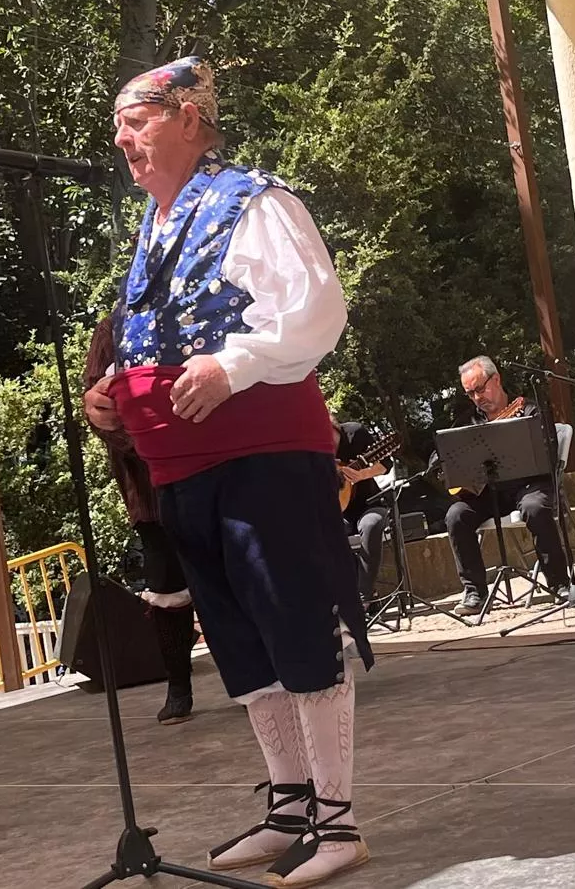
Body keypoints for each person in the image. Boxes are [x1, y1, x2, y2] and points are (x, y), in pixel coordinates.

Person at [86, 57, 371, 888]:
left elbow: (316, 310)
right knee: (242, 642)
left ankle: (340, 821)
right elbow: (159, 340)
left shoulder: (253, 202)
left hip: (259, 455)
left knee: (294, 627)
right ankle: (291, 807)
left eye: (135, 122)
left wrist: (235, 365)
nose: (123, 141)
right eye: (119, 129)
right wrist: (112, 397)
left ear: (187, 117)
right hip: (184, 465)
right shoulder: (156, 224)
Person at [82, 310, 199, 725]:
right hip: (150, 491)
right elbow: (97, 407)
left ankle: (252, 677)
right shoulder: (112, 328)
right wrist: (150, 441)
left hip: (212, 474)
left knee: (229, 580)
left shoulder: (201, 308)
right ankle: (178, 686)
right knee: (167, 589)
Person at [442, 356, 575, 616]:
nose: (477, 397)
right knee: (456, 515)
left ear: (497, 379)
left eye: (480, 388)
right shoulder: (468, 421)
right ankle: (474, 592)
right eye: (470, 393)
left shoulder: (530, 410)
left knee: (535, 507)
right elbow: (445, 456)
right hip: (489, 492)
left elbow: (547, 453)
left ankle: (559, 583)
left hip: (528, 486)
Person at [333, 417, 390, 604]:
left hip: (370, 504)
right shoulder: (309, 448)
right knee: (320, 533)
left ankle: (362, 597)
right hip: (337, 514)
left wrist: (362, 474)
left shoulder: (355, 433)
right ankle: (355, 593)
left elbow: (385, 465)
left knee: (371, 525)